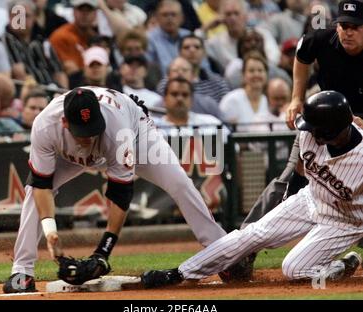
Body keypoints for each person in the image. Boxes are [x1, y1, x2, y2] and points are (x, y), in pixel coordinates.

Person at [2, 86, 227, 293]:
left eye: (93, 130)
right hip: (70, 154)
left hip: (137, 135)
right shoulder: (44, 126)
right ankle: (22, 271)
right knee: (33, 190)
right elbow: (42, 184)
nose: (89, 138)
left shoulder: (116, 128)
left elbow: (120, 194)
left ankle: (223, 253)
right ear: (65, 123)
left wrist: (102, 252)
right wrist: (51, 233)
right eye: (83, 132)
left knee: (180, 183)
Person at [141, 91, 363, 288]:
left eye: (315, 129)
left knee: (293, 269)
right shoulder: (309, 132)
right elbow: (300, 168)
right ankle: (180, 273)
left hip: (345, 221)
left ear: (330, 132)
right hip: (310, 198)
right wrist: (288, 200)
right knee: (252, 234)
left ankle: (339, 267)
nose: (308, 132)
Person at [223, 0, 363, 281]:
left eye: (354, 27)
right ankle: (244, 249)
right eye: (342, 25)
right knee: (291, 178)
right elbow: (302, 55)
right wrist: (297, 97)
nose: (346, 32)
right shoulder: (323, 38)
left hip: (358, 132)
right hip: (326, 122)